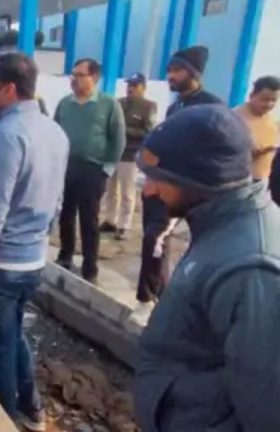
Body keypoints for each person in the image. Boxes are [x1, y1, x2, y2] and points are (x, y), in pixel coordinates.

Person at [134, 104, 280, 432]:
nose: (148, 189)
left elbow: (267, 411)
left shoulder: (253, 269)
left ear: (202, 180)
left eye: (160, 178)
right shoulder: (219, 226)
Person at [0, 53, 69, 431]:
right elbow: (57, 201)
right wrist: (38, 242)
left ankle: (2, 419)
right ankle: (32, 409)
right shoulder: (54, 131)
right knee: (14, 335)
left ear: (9, 89)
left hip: (0, 266)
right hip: (32, 261)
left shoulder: (6, 136)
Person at [137, 45, 223, 304]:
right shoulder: (175, 108)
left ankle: (163, 298)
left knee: (178, 243)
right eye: (169, 70)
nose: (170, 76)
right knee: (154, 240)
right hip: (166, 185)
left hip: (195, 190)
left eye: (177, 70)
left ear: (193, 73)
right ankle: (152, 297)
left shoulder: (212, 107)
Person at [54, 58, 126, 284]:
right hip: (66, 166)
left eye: (79, 75)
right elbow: (54, 133)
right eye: (73, 75)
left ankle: (89, 267)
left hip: (93, 169)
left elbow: (118, 139)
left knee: (89, 219)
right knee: (65, 214)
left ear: (94, 77)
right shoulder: (65, 104)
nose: (74, 79)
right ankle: (65, 255)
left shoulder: (108, 104)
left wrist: (107, 169)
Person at [100, 73, 157, 241]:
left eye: (134, 85)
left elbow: (148, 132)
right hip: (113, 154)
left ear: (143, 88)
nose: (130, 88)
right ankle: (110, 220)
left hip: (130, 155)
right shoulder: (118, 103)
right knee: (111, 190)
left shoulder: (148, 106)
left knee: (127, 192)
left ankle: (124, 225)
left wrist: (124, 130)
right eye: (129, 85)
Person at [234, 76, 279, 181]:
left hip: (263, 180)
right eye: (264, 99)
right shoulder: (234, 117)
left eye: (273, 100)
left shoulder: (273, 120)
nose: (269, 104)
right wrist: (259, 151)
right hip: (238, 181)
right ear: (251, 96)